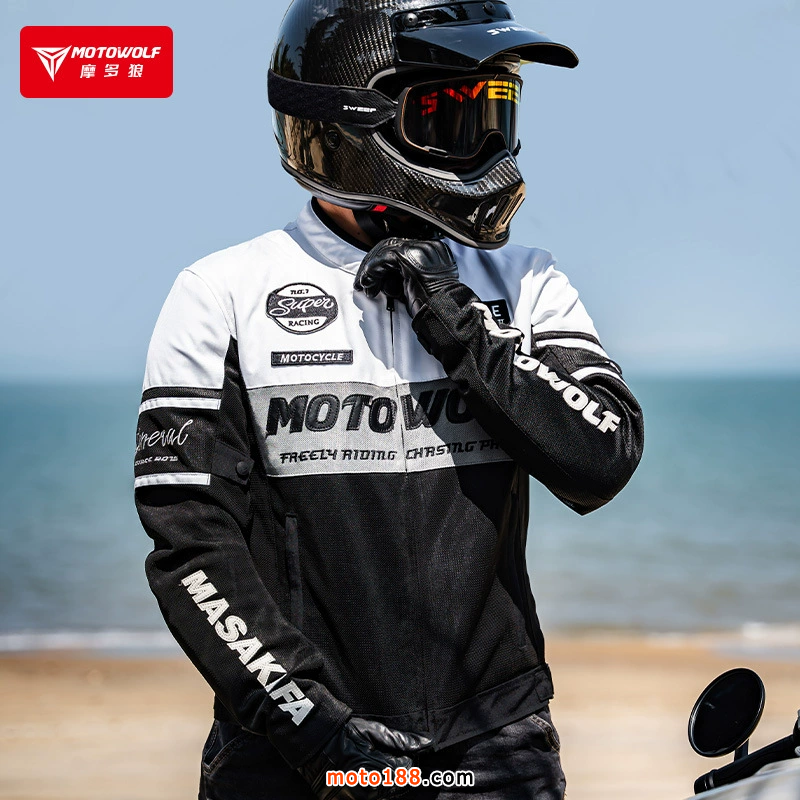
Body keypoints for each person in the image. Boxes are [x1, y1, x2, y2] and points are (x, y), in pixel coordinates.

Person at [134, 1, 644, 798]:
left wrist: (459, 323)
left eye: (496, 114)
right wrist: (312, 727)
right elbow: (191, 549)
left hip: (492, 746)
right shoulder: (220, 293)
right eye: (450, 116)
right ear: (352, 121)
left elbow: (601, 459)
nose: (484, 146)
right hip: (293, 747)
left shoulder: (525, 281)